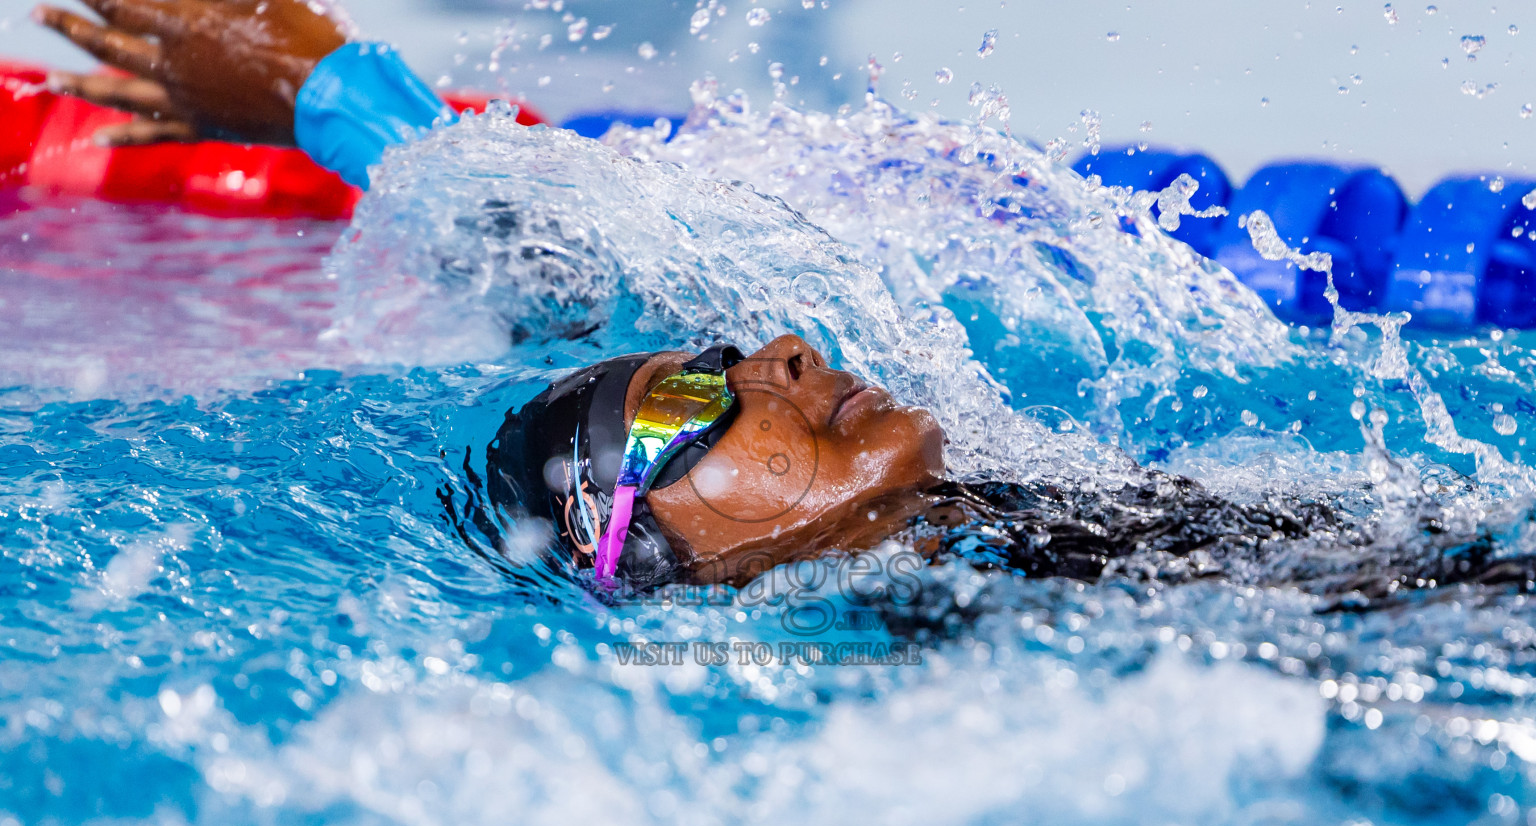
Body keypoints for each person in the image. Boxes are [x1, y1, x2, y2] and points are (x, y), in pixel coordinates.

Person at [34, 0, 1536, 603]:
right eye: (690, 403)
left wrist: (343, 102)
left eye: (723, 358)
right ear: (642, 557)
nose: (789, 352)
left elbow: (564, 281)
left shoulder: (1008, 521)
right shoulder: (938, 653)